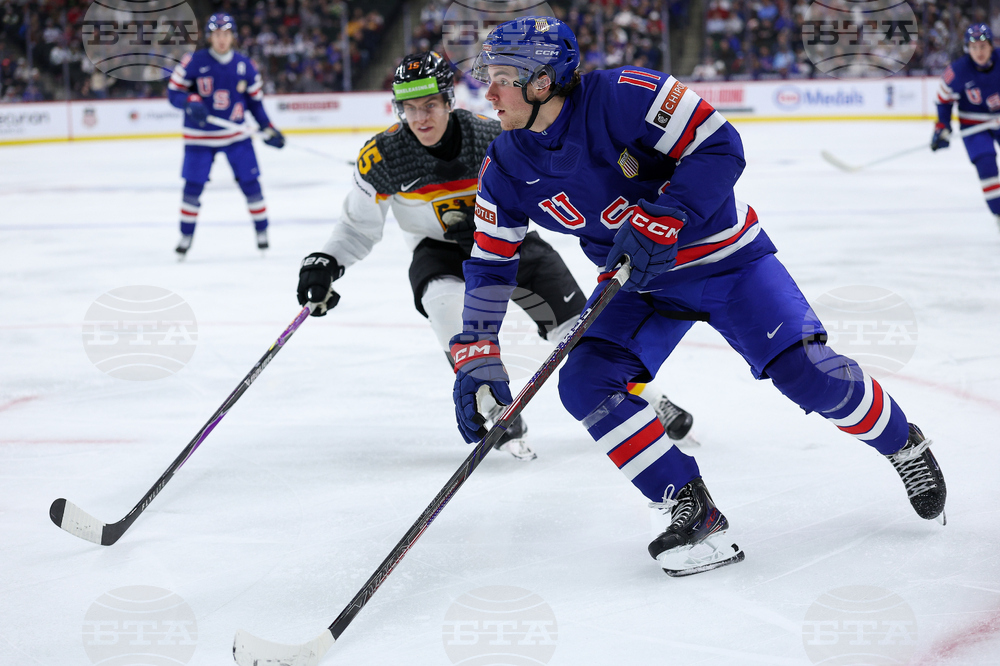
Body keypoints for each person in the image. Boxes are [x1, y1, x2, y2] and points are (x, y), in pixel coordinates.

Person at [450, 17, 947, 576]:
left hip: (725, 262)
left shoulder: (623, 95)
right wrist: (476, 351)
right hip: (638, 283)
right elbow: (491, 262)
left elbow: (720, 145)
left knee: (807, 373)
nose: (485, 92)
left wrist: (669, 215)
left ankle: (904, 444)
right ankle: (691, 507)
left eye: (500, 77)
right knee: (586, 380)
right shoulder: (505, 166)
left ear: (542, 81)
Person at [295, 51, 695, 460]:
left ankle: (653, 400)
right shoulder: (382, 157)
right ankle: (492, 407)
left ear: (449, 101)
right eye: (409, 108)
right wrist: (326, 261)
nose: (421, 118)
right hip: (438, 253)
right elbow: (357, 226)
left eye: (430, 104)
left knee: (578, 331)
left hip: (506, 244)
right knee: (446, 312)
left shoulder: (491, 137)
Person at [166, 13, 286, 257]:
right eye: (217, 34)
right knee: (192, 187)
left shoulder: (245, 66)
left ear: (233, 36)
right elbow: (173, 94)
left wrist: (269, 127)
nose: (222, 39)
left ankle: (261, 232)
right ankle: (185, 236)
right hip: (199, 138)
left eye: (226, 34)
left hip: (236, 136)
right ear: (210, 37)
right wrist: (189, 100)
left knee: (251, 184)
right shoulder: (192, 61)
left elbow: (256, 105)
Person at [932, 23, 1000, 232]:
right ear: (967, 49)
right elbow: (943, 100)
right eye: (974, 48)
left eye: (983, 46)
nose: (979, 52)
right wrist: (942, 126)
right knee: (986, 163)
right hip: (974, 124)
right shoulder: (958, 71)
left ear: (991, 46)